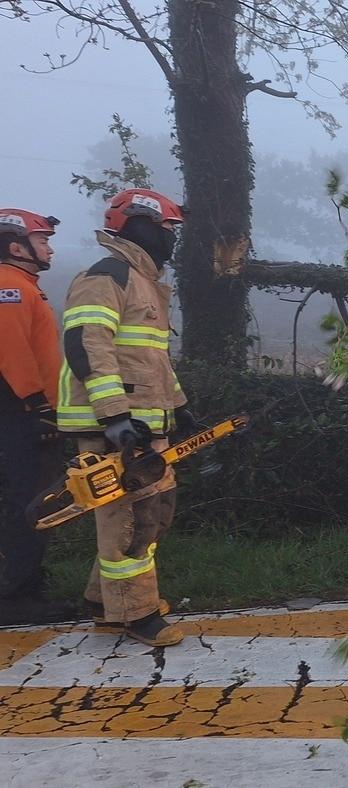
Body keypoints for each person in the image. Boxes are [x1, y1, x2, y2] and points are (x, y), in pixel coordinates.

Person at [57, 188, 192, 647]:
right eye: (169, 228)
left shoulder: (143, 281)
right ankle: (135, 614)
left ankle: (104, 601)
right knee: (128, 519)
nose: (173, 238)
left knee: (155, 511)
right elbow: (86, 346)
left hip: (146, 427)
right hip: (112, 428)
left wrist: (179, 409)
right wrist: (114, 417)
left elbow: (152, 362)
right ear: (141, 223)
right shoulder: (107, 276)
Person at [0, 209, 74, 624]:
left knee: (29, 501)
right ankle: (15, 599)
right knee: (27, 503)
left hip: (23, 412)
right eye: (42, 240)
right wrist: (38, 406)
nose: (49, 248)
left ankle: (22, 588)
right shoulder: (9, 287)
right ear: (16, 246)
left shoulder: (22, 287)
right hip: (21, 414)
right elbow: (12, 354)